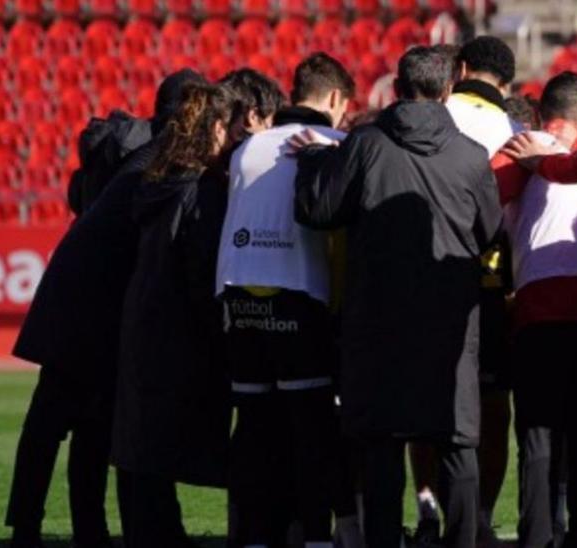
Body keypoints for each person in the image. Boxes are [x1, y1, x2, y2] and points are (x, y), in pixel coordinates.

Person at [291, 46, 502, 548]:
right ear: (448, 90)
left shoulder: (365, 143)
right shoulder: (471, 156)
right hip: (449, 322)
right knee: (456, 440)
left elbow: (319, 209)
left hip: (377, 323)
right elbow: (490, 231)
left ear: (399, 87)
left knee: (381, 445)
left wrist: (315, 159)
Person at [5, 69, 206, 548]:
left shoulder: (129, 152)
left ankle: (42, 530)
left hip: (76, 301)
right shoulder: (160, 161)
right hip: (100, 310)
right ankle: (81, 531)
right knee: (89, 427)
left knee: (57, 426)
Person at [214, 52, 355, 548]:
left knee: (254, 428)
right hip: (297, 296)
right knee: (312, 429)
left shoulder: (245, 150)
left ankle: (257, 536)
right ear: (336, 99)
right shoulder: (336, 142)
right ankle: (316, 536)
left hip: (237, 296)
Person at [111, 82, 240, 548]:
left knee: (144, 449)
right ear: (217, 128)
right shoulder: (201, 190)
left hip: (144, 321)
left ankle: (157, 533)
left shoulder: (154, 180)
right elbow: (202, 268)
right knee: (166, 444)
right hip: (180, 331)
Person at [491, 71, 577, 548]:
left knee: (539, 435)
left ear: (540, 113)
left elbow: (480, 203)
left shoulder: (525, 144)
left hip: (539, 306)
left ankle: (539, 535)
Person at [437, 36, 525, 543]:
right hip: (489, 283)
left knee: (427, 401)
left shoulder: (434, 110)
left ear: (462, 68)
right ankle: (482, 518)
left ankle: (430, 508)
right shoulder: (512, 130)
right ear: (507, 85)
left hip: (427, 280)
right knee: (492, 407)